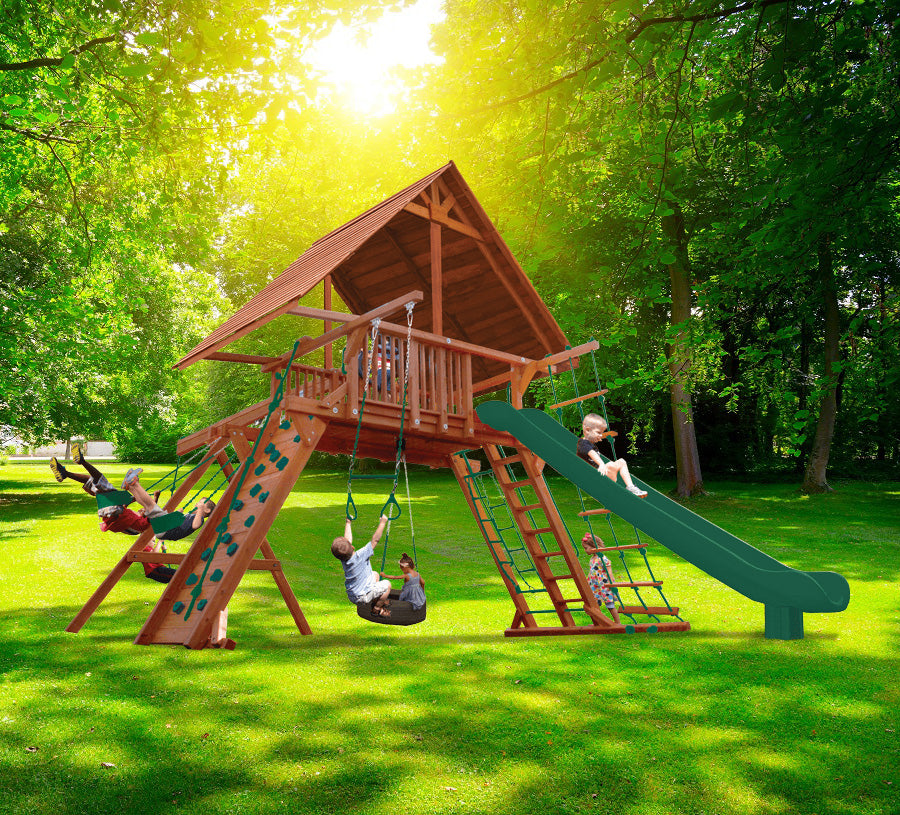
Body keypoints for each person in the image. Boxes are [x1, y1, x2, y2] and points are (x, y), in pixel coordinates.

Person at [331, 515, 393, 617]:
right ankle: (377, 609)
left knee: (375, 574)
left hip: (353, 594)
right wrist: (382, 523)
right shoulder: (361, 555)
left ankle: (375, 598)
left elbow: (348, 541)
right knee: (387, 585)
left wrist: (348, 523)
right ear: (352, 546)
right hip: (363, 595)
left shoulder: (344, 560)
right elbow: (375, 540)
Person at [576, 413, 647, 497]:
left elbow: (592, 447)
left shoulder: (589, 443)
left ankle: (630, 487)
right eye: (598, 432)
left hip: (601, 476)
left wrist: (597, 436)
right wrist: (602, 464)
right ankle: (628, 487)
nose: (600, 436)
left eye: (601, 433)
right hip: (595, 478)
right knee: (615, 463)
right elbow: (592, 453)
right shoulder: (583, 444)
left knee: (621, 461)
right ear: (587, 430)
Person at [582, 533, 621, 624]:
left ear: (595, 546)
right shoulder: (592, 559)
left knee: (610, 605)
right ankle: (597, 623)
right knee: (595, 606)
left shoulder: (602, 559)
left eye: (586, 548)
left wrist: (611, 584)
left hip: (604, 585)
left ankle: (618, 623)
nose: (585, 550)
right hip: (595, 586)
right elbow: (592, 572)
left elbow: (609, 572)